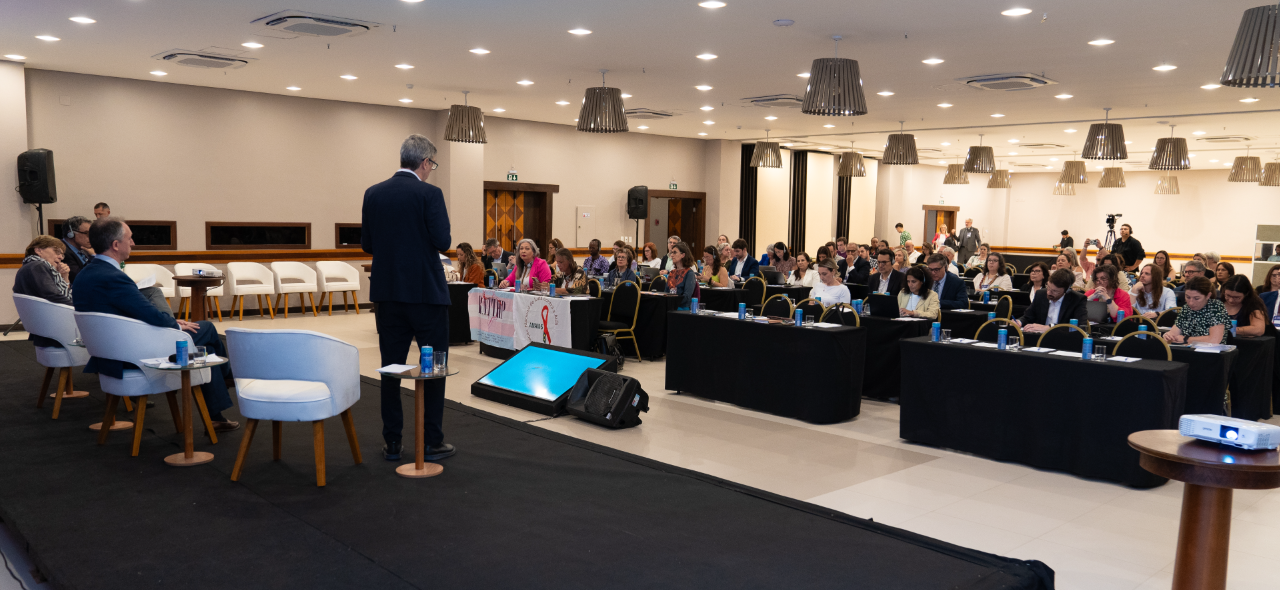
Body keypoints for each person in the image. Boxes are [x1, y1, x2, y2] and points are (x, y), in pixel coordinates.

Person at [74, 217, 237, 428]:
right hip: (133, 352)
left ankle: (216, 413)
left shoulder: (86, 273)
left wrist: (170, 322)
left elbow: (121, 314)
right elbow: (149, 315)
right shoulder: (113, 277)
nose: (133, 243)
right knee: (205, 328)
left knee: (200, 349)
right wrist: (175, 325)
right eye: (130, 239)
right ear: (116, 245)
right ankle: (226, 377)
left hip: (110, 350)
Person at [362, 134, 454, 461]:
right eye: (433, 165)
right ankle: (432, 440)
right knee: (433, 369)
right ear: (425, 162)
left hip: (387, 294)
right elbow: (442, 240)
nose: (431, 170)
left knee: (391, 367)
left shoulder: (373, 194)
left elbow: (367, 245)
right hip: (426, 295)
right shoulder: (430, 194)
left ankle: (393, 442)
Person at [1017, 269, 1089, 332]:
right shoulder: (1041, 294)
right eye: (1048, 287)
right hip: (1038, 338)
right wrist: (1019, 322)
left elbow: (1080, 327)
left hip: (1063, 340)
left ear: (1067, 290)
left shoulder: (1077, 299)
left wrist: (1050, 327)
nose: (1048, 293)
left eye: (1055, 291)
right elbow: (1028, 316)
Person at [1164, 277, 1229, 345]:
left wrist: (1185, 339)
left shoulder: (1216, 307)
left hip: (1210, 353)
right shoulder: (1186, 308)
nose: (1191, 302)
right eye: (1188, 297)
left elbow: (1214, 340)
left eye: (1196, 298)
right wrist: (1168, 336)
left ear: (1208, 296)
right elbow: (1174, 334)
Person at [13, 236, 73, 306]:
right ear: (39, 250)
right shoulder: (38, 266)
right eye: (57, 251)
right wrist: (79, 309)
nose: (60, 257)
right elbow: (53, 296)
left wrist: (65, 277)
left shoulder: (30, 266)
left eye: (62, 255)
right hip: (50, 314)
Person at [59, 215, 94, 283]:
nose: (91, 237)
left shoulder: (84, 249)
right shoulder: (62, 251)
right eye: (87, 233)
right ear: (71, 233)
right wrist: (93, 257)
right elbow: (80, 277)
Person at [665, 242, 698, 310]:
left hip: (682, 308)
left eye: (675, 252)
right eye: (672, 252)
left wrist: (671, 303)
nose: (672, 255)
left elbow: (687, 297)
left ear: (683, 255)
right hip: (670, 306)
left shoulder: (689, 273)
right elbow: (665, 292)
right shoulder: (672, 272)